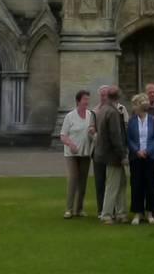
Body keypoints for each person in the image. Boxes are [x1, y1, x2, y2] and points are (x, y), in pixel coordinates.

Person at [126, 92, 154, 224]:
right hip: (136, 158)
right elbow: (129, 139)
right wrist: (137, 150)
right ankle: (137, 213)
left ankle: (150, 212)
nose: (133, 107)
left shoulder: (152, 120)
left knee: (150, 185)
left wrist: (147, 150)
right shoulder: (132, 120)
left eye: (135, 104)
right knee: (136, 185)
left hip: (150, 157)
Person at [60, 89, 94, 218]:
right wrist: (70, 144)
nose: (87, 101)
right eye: (85, 99)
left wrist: (93, 133)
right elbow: (63, 135)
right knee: (73, 179)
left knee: (83, 181)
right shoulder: (70, 116)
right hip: (72, 154)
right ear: (78, 101)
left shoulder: (91, 115)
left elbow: (93, 131)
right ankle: (68, 209)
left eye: (88, 99)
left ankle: (79, 209)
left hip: (85, 153)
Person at [97, 87, 129, 223]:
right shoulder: (112, 112)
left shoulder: (103, 109)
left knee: (122, 182)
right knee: (112, 184)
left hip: (107, 153)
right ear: (118, 97)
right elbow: (115, 136)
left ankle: (121, 213)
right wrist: (122, 155)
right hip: (112, 155)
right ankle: (106, 214)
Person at [89, 83, 110, 217]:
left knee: (112, 181)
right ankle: (101, 209)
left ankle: (111, 208)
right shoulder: (94, 111)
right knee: (100, 181)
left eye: (106, 95)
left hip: (111, 151)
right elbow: (91, 129)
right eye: (102, 95)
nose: (104, 97)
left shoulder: (117, 109)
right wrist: (96, 136)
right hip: (98, 151)